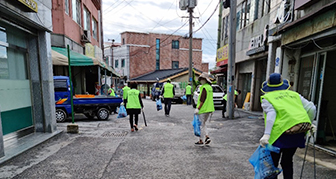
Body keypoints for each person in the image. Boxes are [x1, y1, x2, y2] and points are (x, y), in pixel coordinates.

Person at [259, 73, 316, 179]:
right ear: (282, 83)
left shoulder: (267, 97)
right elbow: (311, 108)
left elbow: (271, 114)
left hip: (278, 135)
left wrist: (266, 135)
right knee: (287, 161)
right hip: (296, 132)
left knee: (273, 164)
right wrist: (309, 123)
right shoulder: (294, 95)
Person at [194, 72, 215, 145]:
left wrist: (198, 108)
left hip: (203, 109)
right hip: (209, 109)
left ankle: (203, 138)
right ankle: (205, 137)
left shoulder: (204, 87)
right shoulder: (210, 87)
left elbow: (202, 99)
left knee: (200, 125)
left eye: (202, 79)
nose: (201, 80)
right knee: (203, 124)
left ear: (205, 80)